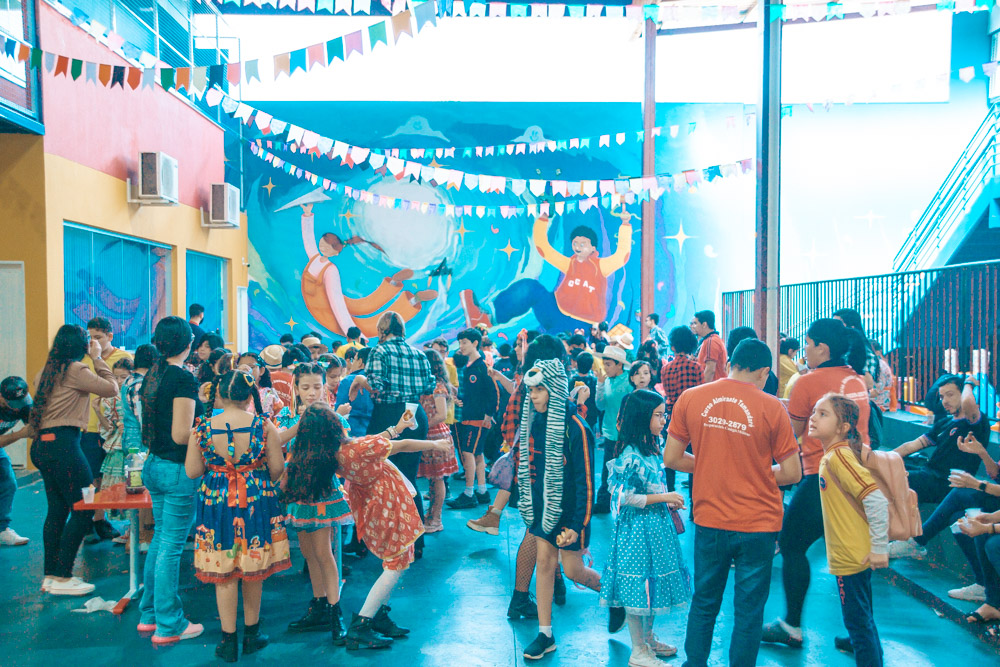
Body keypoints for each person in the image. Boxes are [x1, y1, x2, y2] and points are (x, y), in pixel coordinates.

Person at [664, 339, 802, 667]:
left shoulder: (691, 398)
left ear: (730, 364)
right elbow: (792, 472)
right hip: (759, 524)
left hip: (710, 519)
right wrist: (753, 470)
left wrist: (712, 464)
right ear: (764, 372)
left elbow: (671, 458)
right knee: (749, 611)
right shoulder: (773, 408)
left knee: (704, 602)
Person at [761, 317, 870, 649]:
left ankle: (792, 626)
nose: (804, 349)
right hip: (857, 474)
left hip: (823, 476)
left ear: (822, 348)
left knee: (791, 544)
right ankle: (860, 633)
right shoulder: (856, 379)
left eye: (807, 344)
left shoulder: (808, 382)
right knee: (851, 555)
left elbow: (792, 432)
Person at [186, 370, 291, 662]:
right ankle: (252, 634)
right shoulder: (264, 426)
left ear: (219, 394)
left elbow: (192, 471)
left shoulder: (202, 427)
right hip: (256, 501)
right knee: (252, 568)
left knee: (224, 573)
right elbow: (277, 470)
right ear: (250, 397)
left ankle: (228, 640)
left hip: (216, 504)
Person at [334, 405, 451, 650]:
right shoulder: (356, 447)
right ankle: (362, 623)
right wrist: (435, 444)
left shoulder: (337, 452)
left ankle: (378, 615)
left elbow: (373, 442)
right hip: (388, 503)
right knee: (396, 563)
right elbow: (402, 445)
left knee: (398, 558)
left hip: (375, 504)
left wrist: (397, 427)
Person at [519, 359, 603, 660]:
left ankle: (614, 594)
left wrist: (577, 526)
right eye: (531, 390)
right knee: (544, 563)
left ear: (554, 389)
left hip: (571, 515)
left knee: (572, 571)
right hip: (544, 511)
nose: (533, 396)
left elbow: (587, 483)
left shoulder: (577, 428)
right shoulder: (536, 422)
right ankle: (546, 634)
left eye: (540, 389)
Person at [599, 390, 691, 667]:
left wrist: (665, 499)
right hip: (637, 530)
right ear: (642, 417)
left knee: (651, 584)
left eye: (664, 414)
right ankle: (638, 650)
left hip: (655, 527)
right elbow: (623, 496)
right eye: (659, 415)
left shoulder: (651, 446)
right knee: (637, 587)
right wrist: (664, 497)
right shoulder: (630, 454)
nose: (664, 420)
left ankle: (647, 639)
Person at [30, 324, 119, 595]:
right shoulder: (76, 369)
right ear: (82, 346)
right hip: (64, 445)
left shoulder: (46, 371)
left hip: (43, 445)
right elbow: (111, 388)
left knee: (57, 510)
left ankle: (51, 576)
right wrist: (98, 358)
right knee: (85, 507)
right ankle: (63, 576)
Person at [138, 316, 205, 644]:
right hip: (177, 470)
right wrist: (209, 431)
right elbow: (181, 434)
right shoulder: (182, 378)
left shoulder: (153, 373)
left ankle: (150, 614)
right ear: (188, 343)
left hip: (153, 464)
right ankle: (169, 623)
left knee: (161, 540)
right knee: (171, 545)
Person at [812, 394, 889, 666]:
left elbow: (876, 499)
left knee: (858, 624)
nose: (813, 418)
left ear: (843, 427)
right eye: (814, 412)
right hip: (852, 553)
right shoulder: (832, 456)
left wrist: (879, 548)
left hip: (852, 556)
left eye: (823, 414)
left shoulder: (839, 457)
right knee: (863, 619)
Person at [354, 310, 437, 558]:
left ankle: (368, 541)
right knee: (408, 479)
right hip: (415, 413)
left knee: (374, 478)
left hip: (388, 415)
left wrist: (359, 379)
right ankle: (416, 542)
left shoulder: (380, 351)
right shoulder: (418, 353)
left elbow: (376, 386)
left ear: (382, 330)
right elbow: (429, 386)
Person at [888, 374, 992, 558]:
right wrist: (880, 460)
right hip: (929, 475)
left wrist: (969, 383)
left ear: (963, 393)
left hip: (947, 483)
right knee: (891, 468)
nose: (945, 401)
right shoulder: (944, 422)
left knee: (891, 479)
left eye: (950, 395)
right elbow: (911, 446)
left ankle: (904, 541)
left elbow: (968, 403)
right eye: (942, 396)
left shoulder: (975, 422)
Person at [82, 316, 132, 541]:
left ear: (110, 336)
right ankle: (90, 520)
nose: (94, 342)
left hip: (117, 431)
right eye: (90, 338)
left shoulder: (123, 359)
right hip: (90, 427)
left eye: (98, 337)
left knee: (114, 476)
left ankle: (102, 519)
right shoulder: (84, 359)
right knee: (91, 477)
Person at [447, 328, 500, 509]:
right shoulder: (469, 367)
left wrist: (489, 415)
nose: (461, 346)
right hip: (470, 417)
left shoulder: (481, 367)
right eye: (460, 343)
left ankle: (469, 493)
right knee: (477, 454)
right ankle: (482, 491)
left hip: (478, 419)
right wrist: (459, 399)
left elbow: (493, 392)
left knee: (467, 452)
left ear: (475, 343)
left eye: (464, 343)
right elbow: (473, 394)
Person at [418, 349, 459, 533]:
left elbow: (441, 415)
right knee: (433, 481)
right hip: (430, 436)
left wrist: (422, 425)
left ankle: (436, 519)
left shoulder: (437, 387)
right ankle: (431, 515)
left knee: (437, 478)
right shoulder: (430, 384)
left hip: (436, 436)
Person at [659, 326, 703, 493]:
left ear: (673, 346)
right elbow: (701, 392)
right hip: (693, 417)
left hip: (672, 416)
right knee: (694, 459)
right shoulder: (696, 367)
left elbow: (666, 392)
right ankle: (694, 499)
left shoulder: (666, 369)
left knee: (669, 458)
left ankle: (669, 494)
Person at [593, 345, 631, 514]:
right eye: (605, 364)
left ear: (619, 364)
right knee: (607, 468)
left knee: (628, 469)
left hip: (627, 434)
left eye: (608, 364)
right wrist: (600, 385)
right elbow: (600, 405)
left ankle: (628, 502)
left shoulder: (630, 381)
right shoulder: (606, 381)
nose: (606, 368)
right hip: (609, 431)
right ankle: (603, 501)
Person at [0, 377, 34, 546]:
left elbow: (34, 426)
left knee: (8, 483)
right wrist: (20, 434)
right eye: (12, 403)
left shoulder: (24, 403)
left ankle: (2, 530)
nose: (17, 408)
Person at [94, 358, 134, 491]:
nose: (119, 381)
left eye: (123, 377)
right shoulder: (110, 398)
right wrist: (97, 410)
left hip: (135, 440)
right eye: (116, 377)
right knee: (116, 485)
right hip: (117, 444)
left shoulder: (137, 394)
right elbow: (108, 428)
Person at [337, 347, 375, 436]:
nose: (352, 363)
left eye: (354, 360)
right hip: (375, 433)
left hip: (351, 433)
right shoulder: (379, 383)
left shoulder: (348, 381)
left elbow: (339, 411)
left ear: (360, 362)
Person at [690, 310, 727, 384]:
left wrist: (703, 388)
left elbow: (710, 370)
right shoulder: (710, 340)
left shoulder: (711, 341)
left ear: (704, 324)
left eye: (695, 323)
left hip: (714, 387)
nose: (692, 326)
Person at [571, 351, 599, 434]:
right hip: (591, 414)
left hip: (576, 414)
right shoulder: (594, 381)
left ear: (577, 364)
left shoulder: (572, 381)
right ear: (591, 366)